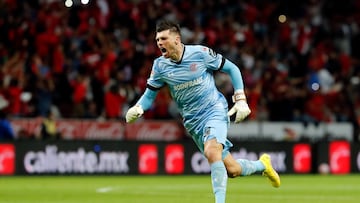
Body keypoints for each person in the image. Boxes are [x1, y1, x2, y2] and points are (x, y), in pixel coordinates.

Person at [126, 20, 280, 203]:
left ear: (177, 39)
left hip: (214, 110)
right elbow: (150, 95)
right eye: (157, 39)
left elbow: (232, 68)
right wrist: (138, 107)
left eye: (163, 38)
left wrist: (240, 99)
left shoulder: (199, 53)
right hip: (193, 123)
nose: (159, 43)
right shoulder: (160, 66)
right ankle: (262, 164)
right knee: (233, 170)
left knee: (212, 151)